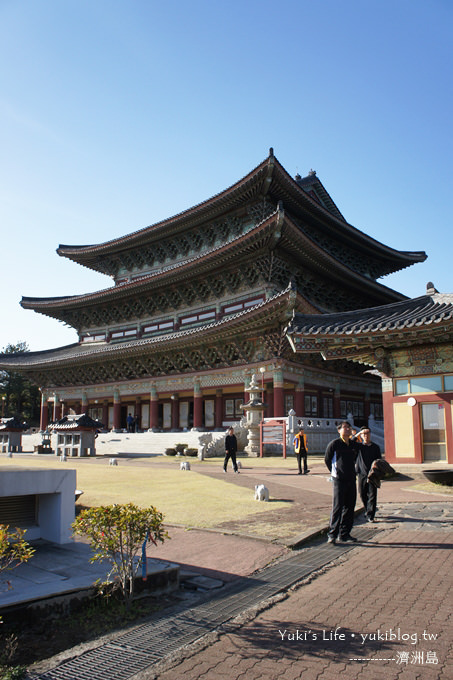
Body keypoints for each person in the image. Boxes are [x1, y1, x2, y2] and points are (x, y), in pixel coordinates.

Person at [324, 421, 360, 544]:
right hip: (339, 480)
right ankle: (332, 534)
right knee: (337, 507)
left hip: (351, 479)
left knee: (350, 507)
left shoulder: (353, 445)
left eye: (349, 427)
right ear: (339, 430)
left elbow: (357, 455)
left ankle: (344, 534)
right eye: (344, 427)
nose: (347, 429)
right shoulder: (334, 444)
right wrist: (335, 473)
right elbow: (327, 460)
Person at [356, 427, 381, 522]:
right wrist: (358, 433)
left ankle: (371, 515)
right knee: (362, 494)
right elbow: (350, 442)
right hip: (361, 474)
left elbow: (379, 460)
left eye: (367, 433)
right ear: (361, 436)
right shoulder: (359, 446)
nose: (366, 435)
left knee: (372, 495)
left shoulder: (375, 447)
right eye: (364, 434)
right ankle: (367, 510)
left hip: (372, 474)